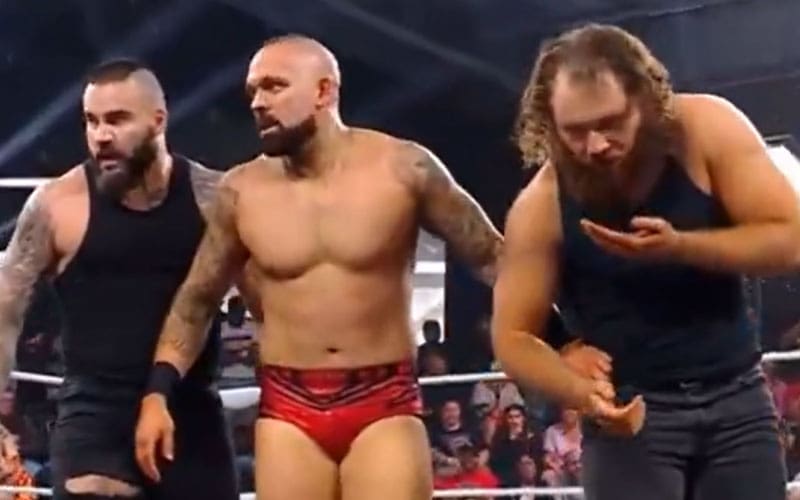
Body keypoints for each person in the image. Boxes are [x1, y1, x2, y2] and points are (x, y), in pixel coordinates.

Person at [133, 34, 503, 500]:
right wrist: (157, 391)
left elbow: (491, 256)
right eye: (252, 91)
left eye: (274, 86)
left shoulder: (403, 168)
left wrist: (560, 340)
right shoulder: (241, 191)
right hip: (288, 406)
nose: (258, 103)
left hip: (383, 400)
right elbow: (197, 300)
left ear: (324, 91)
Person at [492, 23, 797, 500]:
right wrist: (580, 393)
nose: (596, 145)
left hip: (736, 394)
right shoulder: (540, 205)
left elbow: (791, 241)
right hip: (631, 411)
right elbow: (511, 336)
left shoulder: (705, 129)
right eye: (575, 131)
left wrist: (682, 246)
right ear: (549, 123)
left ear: (644, 99)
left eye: (610, 122)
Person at [0, 59, 247, 499]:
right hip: (94, 420)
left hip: (193, 417)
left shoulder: (213, 198)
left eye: (116, 120)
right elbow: (6, 305)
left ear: (158, 121)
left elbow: (268, 296)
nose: (101, 136)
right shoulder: (58, 205)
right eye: (91, 121)